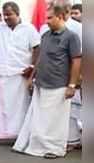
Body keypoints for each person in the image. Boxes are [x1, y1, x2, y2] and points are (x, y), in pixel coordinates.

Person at [13, 4, 82, 159]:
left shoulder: (71, 37)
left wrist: (72, 85)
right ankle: (37, 147)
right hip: (42, 83)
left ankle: (55, 149)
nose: (47, 21)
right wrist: (32, 78)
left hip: (59, 84)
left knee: (55, 120)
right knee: (40, 118)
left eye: (50, 18)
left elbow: (76, 61)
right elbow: (40, 59)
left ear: (60, 17)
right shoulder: (45, 35)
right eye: (46, 18)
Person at [0, 1, 40, 147]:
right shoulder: (1, 27)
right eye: (4, 14)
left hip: (19, 73)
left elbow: (38, 49)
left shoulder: (29, 29)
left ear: (18, 14)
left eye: (9, 14)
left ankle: (20, 136)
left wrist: (32, 66)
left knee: (19, 106)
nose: (6, 18)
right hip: (0, 71)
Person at [40, 2, 82, 152]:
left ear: (63, 13)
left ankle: (74, 140)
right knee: (64, 112)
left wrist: (74, 81)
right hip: (51, 78)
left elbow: (77, 58)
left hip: (72, 76)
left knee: (75, 110)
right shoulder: (46, 30)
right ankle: (66, 140)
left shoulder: (76, 29)